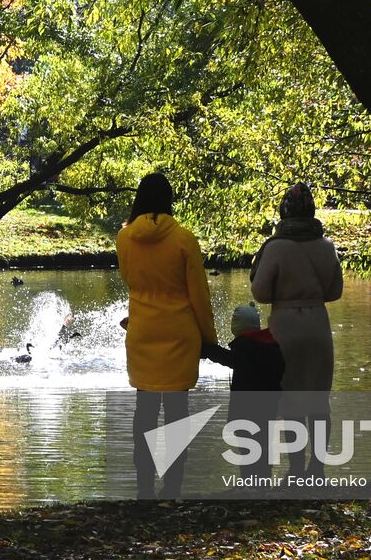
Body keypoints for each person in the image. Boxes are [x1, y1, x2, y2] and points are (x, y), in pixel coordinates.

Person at [115, 172, 217, 499]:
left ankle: (144, 485)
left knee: (144, 412)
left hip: (142, 331)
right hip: (179, 334)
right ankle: (172, 485)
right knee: (177, 413)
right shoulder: (184, 240)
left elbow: (132, 281)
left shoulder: (124, 238)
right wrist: (209, 339)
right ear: (169, 200)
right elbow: (199, 295)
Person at [250, 182, 343, 478]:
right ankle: (317, 467)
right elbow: (335, 292)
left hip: (285, 327)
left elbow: (260, 293)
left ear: (284, 212)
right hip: (318, 325)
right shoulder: (327, 247)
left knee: (290, 401)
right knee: (319, 401)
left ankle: (295, 469)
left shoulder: (275, 247)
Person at [201, 303, 286, 483]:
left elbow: (230, 359)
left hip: (246, 408)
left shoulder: (246, 346)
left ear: (236, 327)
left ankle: (249, 481)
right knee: (264, 442)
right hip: (269, 406)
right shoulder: (271, 344)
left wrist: (207, 349)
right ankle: (263, 481)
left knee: (246, 444)